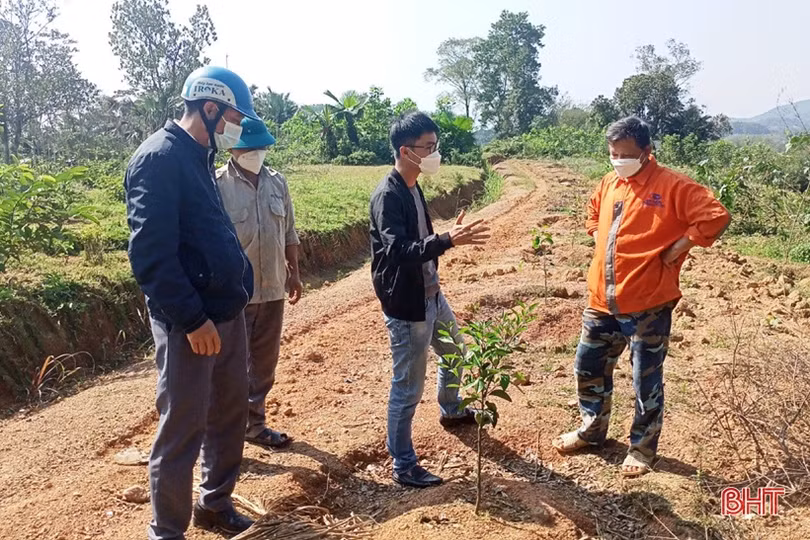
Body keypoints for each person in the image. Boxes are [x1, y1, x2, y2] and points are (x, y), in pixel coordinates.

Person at [552, 116, 731, 477]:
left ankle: (642, 449)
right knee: (588, 368)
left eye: (627, 154)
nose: (619, 160)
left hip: (648, 303)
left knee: (644, 379)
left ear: (647, 153)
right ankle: (592, 431)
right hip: (601, 301)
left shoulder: (672, 186)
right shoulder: (609, 182)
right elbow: (592, 215)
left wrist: (677, 248)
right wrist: (605, 244)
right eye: (613, 153)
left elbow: (716, 217)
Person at [125, 66, 260, 540]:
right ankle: (167, 532)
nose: (233, 127)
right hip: (192, 324)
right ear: (209, 107)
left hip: (226, 312)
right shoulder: (158, 159)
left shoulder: (198, 156)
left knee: (229, 413)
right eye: (229, 117)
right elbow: (151, 256)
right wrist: (193, 318)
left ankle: (215, 505)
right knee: (183, 425)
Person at [369, 112, 491, 488]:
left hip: (431, 294)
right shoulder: (388, 195)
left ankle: (451, 410)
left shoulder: (413, 185)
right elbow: (398, 250)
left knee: (456, 350)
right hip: (408, 306)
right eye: (429, 147)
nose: (435, 153)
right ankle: (403, 464)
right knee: (407, 386)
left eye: (436, 146)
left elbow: (419, 239)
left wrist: (443, 236)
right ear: (406, 151)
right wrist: (447, 240)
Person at [216, 117, 302, 449]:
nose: (256, 152)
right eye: (249, 147)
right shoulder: (218, 185)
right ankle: (225, 433)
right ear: (234, 148)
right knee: (230, 367)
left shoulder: (277, 183)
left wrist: (293, 272)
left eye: (260, 147)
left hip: (272, 289)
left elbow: (289, 233)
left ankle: (254, 424)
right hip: (235, 295)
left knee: (264, 364)